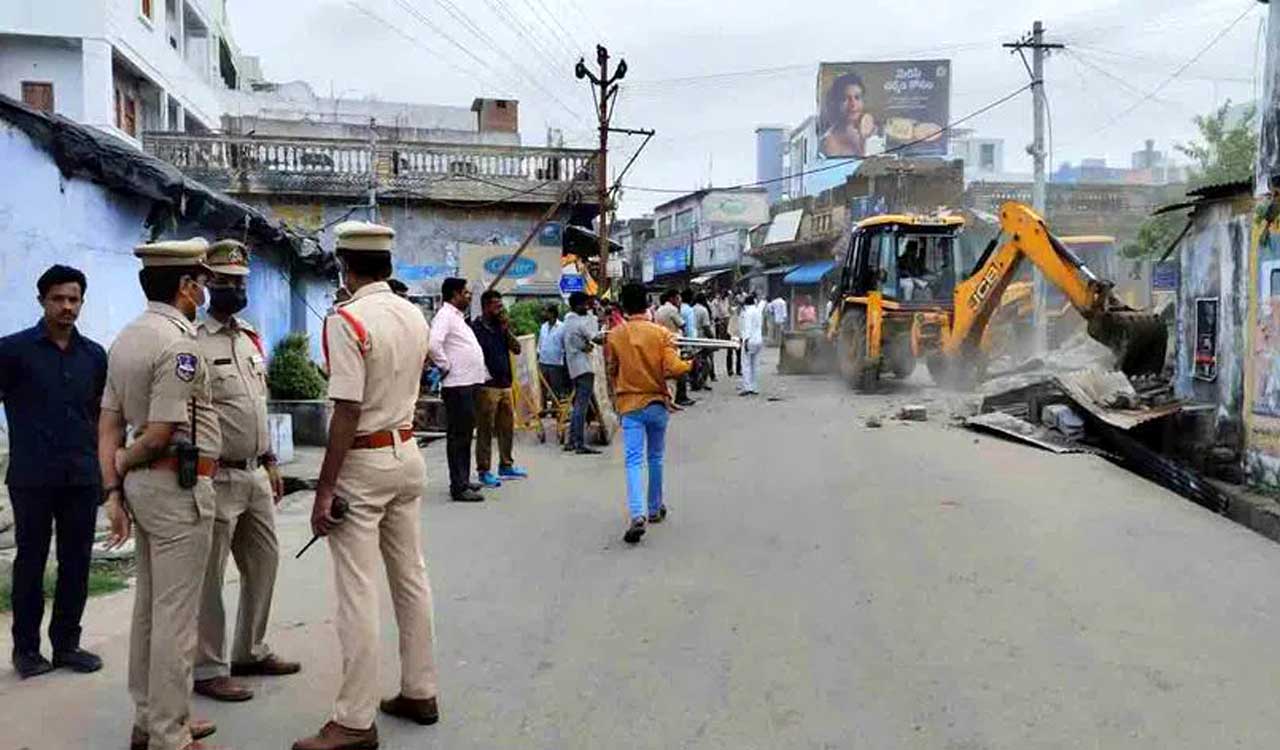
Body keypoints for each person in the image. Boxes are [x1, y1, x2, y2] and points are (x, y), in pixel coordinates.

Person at [294, 222, 440, 750]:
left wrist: (324, 488)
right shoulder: (413, 315)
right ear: (388, 265)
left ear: (344, 266)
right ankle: (420, 690)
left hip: (364, 461)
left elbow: (347, 409)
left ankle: (354, 720)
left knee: (357, 590)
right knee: (411, 578)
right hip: (406, 453)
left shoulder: (347, 319)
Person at [97, 238, 223, 750]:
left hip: (146, 488)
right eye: (203, 281)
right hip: (176, 486)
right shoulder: (181, 344)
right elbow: (160, 431)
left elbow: (107, 422)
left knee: (152, 608)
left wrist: (113, 487)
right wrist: (124, 464)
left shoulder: (127, 337)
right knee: (176, 617)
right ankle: (171, 735)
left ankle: (151, 720)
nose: (206, 290)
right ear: (186, 286)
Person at [192, 241, 299, 704]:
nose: (234, 289)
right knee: (210, 578)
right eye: (224, 281)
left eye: (240, 282)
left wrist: (273, 460)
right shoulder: (193, 342)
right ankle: (208, 667)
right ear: (204, 285)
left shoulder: (249, 336)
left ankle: (250, 650)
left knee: (264, 563)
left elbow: (260, 402)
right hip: (216, 475)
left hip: (256, 472)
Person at [0, 265, 107, 679]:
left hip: (81, 476)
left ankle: (67, 646)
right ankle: (26, 651)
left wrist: (105, 471)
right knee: (30, 562)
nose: (67, 306)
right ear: (42, 300)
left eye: (74, 299)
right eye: (58, 298)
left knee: (77, 562)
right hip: (32, 477)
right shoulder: (12, 351)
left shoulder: (94, 356)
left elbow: (102, 414)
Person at [605, 283, 692, 544]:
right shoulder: (661, 334)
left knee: (633, 461)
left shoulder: (615, 335)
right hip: (656, 403)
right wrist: (690, 362)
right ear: (646, 303)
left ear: (624, 305)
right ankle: (654, 508)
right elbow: (674, 368)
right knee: (655, 457)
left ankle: (637, 513)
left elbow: (612, 369)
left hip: (629, 406)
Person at [428, 278, 487, 503]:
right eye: (466, 293)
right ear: (454, 295)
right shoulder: (444, 316)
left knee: (465, 434)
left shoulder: (457, 318)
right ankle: (459, 486)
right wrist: (445, 365)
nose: (469, 296)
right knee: (459, 436)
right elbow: (433, 344)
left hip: (468, 383)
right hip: (457, 385)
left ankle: (463, 478)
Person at [470, 290, 528, 488]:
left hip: (505, 384)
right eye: (496, 305)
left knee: (506, 427)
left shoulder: (500, 328)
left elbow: (517, 348)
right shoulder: (475, 328)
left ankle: (506, 464)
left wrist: (506, 328)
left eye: (501, 305)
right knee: (485, 430)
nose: (500, 309)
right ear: (486, 306)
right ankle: (484, 470)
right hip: (486, 387)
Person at [561, 291, 600, 454]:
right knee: (581, 407)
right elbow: (596, 338)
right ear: (577, 305)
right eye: (585, 304)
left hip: (574, 366)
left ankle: (571, 441)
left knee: (578, 404)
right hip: (584, 366)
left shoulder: (568, 321)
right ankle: (579, 442)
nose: (587, 307)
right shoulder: (578, 322)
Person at [820, 72, 874, 157]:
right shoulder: (827, 142)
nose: (853, 104)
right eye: (845, 99)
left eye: (857, 97)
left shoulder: (876, 134)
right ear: (836, 102)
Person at [654, 290, 693, 407]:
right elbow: (682, 324)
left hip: (661, 342)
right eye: (678, 298)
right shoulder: (672, 310)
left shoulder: (659, 310)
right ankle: (681, 396)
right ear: (672, 299)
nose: (679, 301)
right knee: (679, 369)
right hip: (673, 342)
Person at [537, 304, 567, 403]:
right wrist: (538, 354)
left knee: (555, 388)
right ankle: (543, 409)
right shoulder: (543, 326)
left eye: (546, 312)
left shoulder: (562, 327)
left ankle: (556, 410)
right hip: (543, 362)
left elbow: (565, 344)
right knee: (542, 389)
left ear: (552, 313)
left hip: (556, 363)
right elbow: (540, 342)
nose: (543, 314)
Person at [740, 293, 766, 396]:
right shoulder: (757, 311)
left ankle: (747, 387)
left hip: (749, 340)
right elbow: (762, 304)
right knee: (755, 364)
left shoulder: (747, 313)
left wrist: (745, 341)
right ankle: (755, 387)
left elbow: (747, 328)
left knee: (746, 364)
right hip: (759, 340)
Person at [694, 293, 715, 384]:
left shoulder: (691, 309)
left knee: (695, 359)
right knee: (707, 361)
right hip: (702, 338)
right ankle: (703, 380)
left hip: (692, 337)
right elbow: (706, 326)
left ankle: (695, 379)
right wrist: (712, 337)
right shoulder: (703, 310)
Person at [725, 293, 742, 377]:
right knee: (730, 353)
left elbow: (739, 309)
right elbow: (729, 309)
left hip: (738, 333)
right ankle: (730, 370)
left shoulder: (741, 311)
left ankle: (738, 370)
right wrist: (729, 300)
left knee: (738, 354)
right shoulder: (732, 310)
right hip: (731, 332)